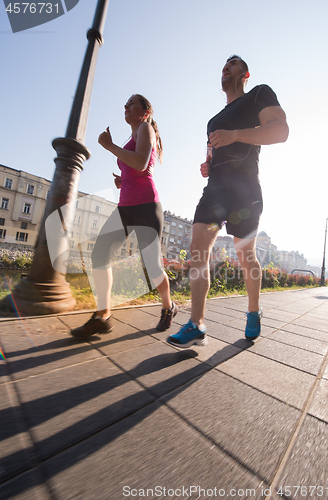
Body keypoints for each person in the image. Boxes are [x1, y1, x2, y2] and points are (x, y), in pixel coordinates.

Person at [167, 55, 289, 348]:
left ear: (245, 74)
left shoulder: (259, 94)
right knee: (197, 249)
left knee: (245, 255)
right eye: (224, 64)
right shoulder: (213, 120)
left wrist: (235, 135)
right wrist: (206, 165)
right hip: (215, 189)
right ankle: (196, 324)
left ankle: (253, 309)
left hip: (245, 189)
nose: (226, 67)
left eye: (233, 64)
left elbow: (280, 131)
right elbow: (212, 154)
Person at [71, 94, 177, 338]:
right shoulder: (133, 136)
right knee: (100, 253)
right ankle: (103, 315)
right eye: (125, 104)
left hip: (147, 206)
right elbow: (134, 167)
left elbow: (141, 163)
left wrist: (109, 146)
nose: (126, 106)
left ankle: (168, 306)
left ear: (146, 112)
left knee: (152, 266)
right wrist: (122, 179)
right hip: (125, 206)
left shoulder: (146, 128)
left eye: (132, 103)